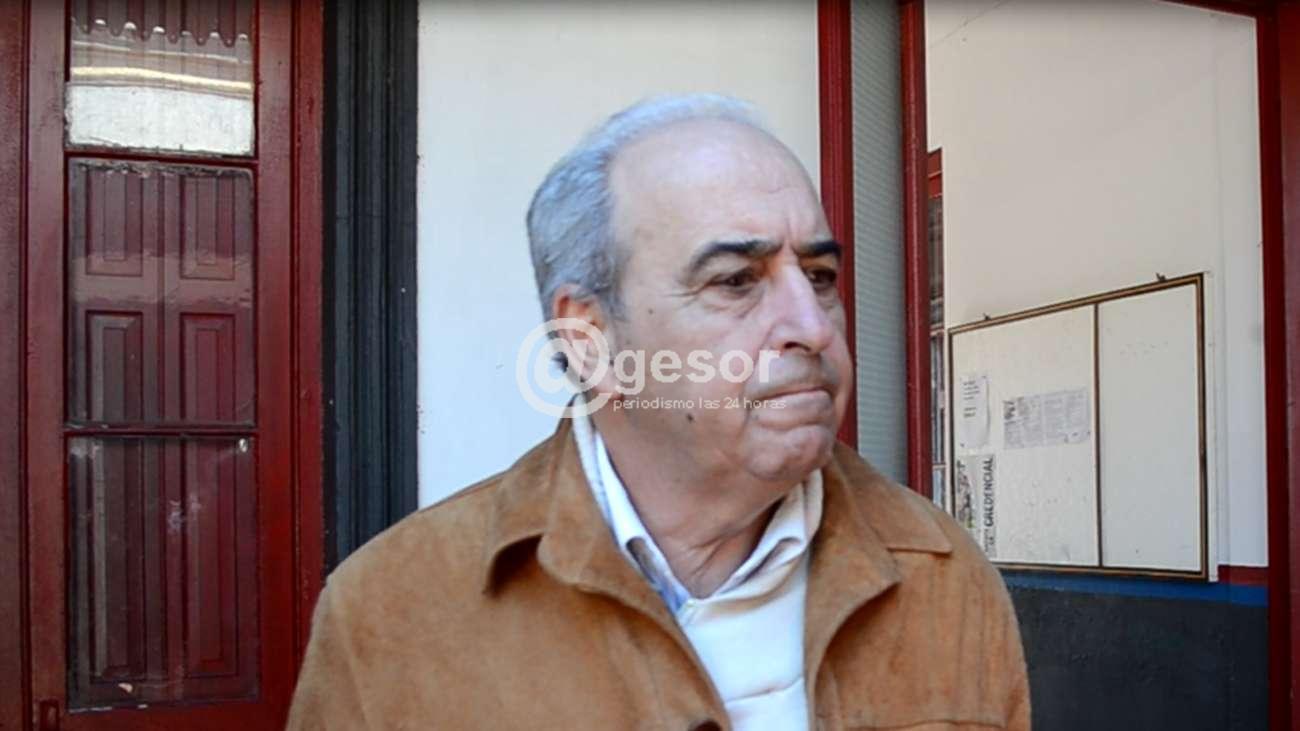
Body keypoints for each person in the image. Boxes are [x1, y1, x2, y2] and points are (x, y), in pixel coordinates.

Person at [286, 94, 1030, 730]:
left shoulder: (943, 573)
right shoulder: (392, 610)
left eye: (820, 274)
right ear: (589, 338)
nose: (813, 325)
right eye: (736, 280)